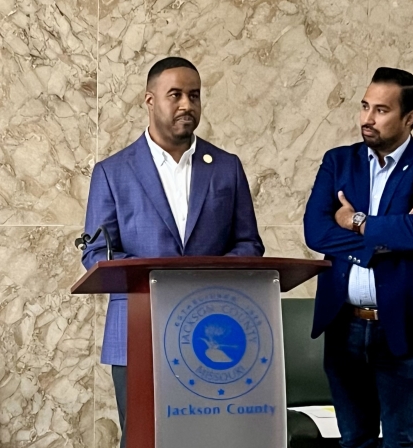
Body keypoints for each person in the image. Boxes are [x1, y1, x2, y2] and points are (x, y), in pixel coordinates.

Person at [81, 56, 264, 447]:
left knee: (210, 439)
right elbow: (98, 253)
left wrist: (205, 275)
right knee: (144, 438)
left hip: (213, 332)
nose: (187, 105)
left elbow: (249, 244)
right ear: (150, 100)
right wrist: (163, 279)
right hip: (137, 332)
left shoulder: (226, 167)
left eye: (195, 96)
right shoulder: (113, 172)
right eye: (176, 95)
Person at [303, 67, 413, 448]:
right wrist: (392, 233)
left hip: (403, 323)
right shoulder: (338, 162)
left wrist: (355, 221)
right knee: (354, 438)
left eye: (381, 110)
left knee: (402, 439)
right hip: (343, 324)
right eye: (364, 107)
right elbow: (316, 231)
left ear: (410, 118)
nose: (367, 119)